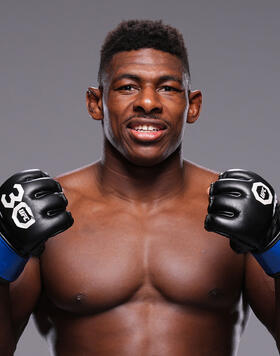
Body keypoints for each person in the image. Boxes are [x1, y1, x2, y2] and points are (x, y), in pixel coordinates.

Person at [0, 19, 280, 356]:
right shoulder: (44, 215)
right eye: (128, 86)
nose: (148, 102)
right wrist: (4, 251)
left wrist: (274, 246)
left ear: (193, 106)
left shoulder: (237, 211)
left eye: (168, 88)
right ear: (95, 102)